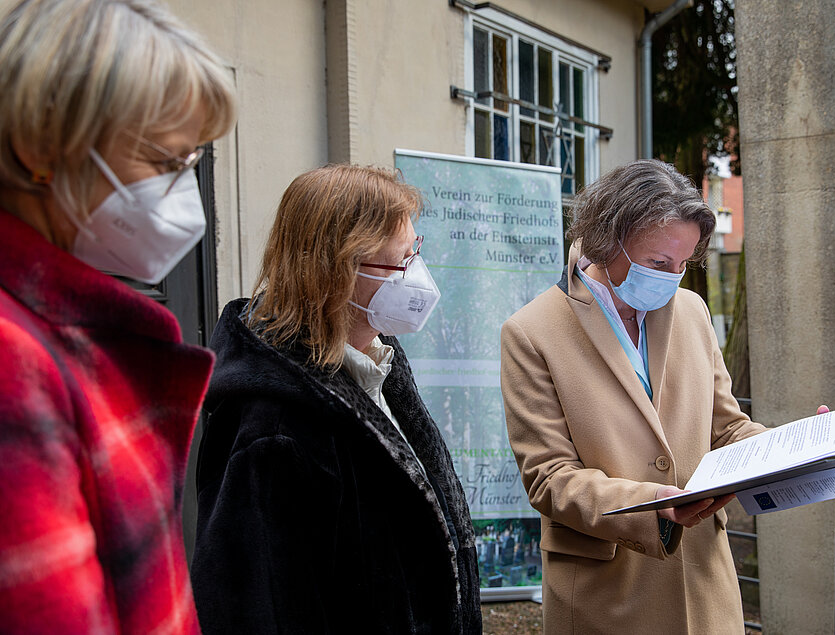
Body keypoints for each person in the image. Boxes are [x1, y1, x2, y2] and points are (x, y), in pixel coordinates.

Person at [0, 0, 236, 632]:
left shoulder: (52, 329)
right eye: (164, 162)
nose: (183, 197)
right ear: (36, 146)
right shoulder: (11, 355)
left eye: (192, 164)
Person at [190, 165, 482, 634]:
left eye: (417, 252)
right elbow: (259, 609)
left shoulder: (377, 367)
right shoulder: (273, 425)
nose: (418, 278)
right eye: (400, 262)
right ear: (336, 270)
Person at [500, 159, 768, 634]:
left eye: (683, 264)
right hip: (608, 594)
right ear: (608, 239)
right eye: (658, 263)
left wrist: (796, 446)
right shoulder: (531, 331)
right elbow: (549, 478)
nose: (672, 278)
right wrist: (652, 503)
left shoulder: (691, 309)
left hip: (704, 579)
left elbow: (727, 428)